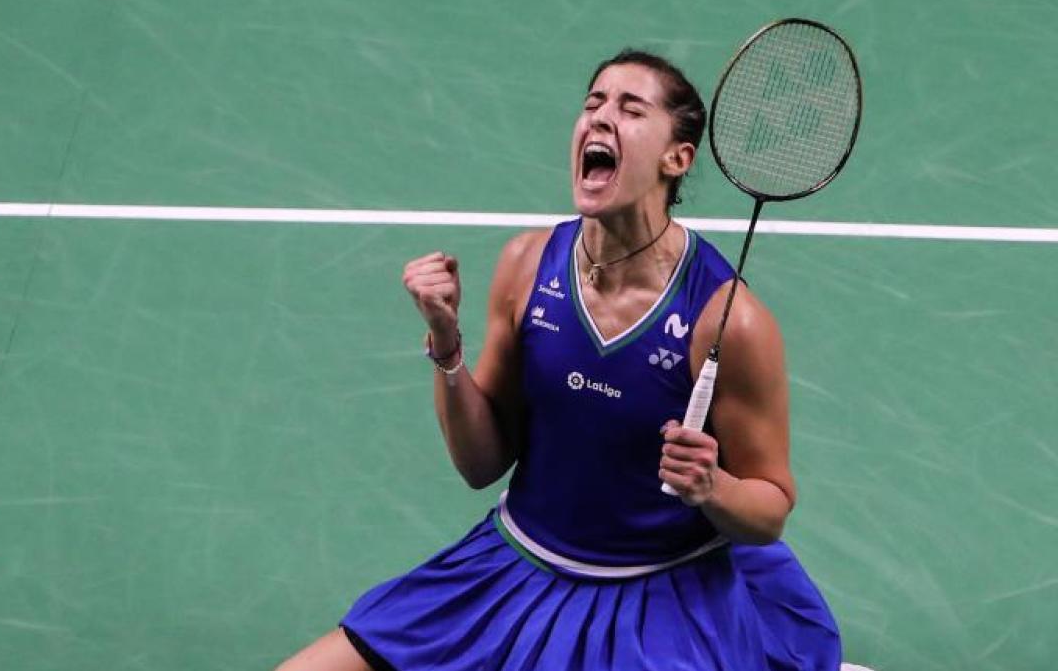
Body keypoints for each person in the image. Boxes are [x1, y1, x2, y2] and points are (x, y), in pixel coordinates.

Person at [277, 49, 842, 670]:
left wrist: (712, 486)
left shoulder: (727, 320)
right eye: (593, 103)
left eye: (630, 109)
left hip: (659, 599)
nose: (599, 118)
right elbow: (481, 463)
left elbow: (769, 510)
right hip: (517, 567)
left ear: (676, 158)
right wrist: (447, 347)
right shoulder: (527, 265)